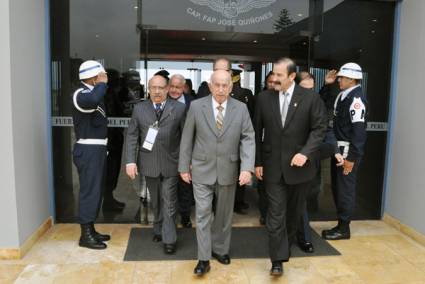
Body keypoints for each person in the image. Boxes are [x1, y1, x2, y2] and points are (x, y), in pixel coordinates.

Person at [254, 57, 327, 276]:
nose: (273, 79)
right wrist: (257, 162)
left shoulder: (311, 98)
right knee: (275, 214)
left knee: (293, 214)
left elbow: (319, 129)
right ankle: (277, 260)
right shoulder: (263, 98)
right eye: (273, 74)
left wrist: (305, 153)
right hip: (273, 167)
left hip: (300, 170)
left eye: (279, 75)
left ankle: (286, 244)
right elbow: (256, 133)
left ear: (292, 76)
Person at [179, 70, 255, 276]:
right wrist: (183, 167)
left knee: (223, 216)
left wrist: (247, 167)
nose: (221, 89)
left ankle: (220, 249)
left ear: (231, 87)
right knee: (203, 214)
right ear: (210, 86)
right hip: (201, 169)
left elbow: (248, 138)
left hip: (228, 170)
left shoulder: (241, 108)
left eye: (225, 85)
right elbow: (187, 137)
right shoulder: (196, 106)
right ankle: (203, 258)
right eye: (217, 85)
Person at [126, 75, 186, 254]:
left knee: (169, 200)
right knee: (156, 200)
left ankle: (169, 238)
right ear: (149, 89)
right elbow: (131, 136)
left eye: (161, 88)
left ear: (167, 89)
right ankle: (158, 227)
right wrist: (130, 161)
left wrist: (186, 162)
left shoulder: (180, 108)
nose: (157, 91)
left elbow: (186, 138)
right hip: (149, 162)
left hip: (171, 162)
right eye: (154, 88)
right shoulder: (139, 109)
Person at [321, 62, 367, 240]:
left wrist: (352, 158)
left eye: (342, 77)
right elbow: (325, 107)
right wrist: (327, 85)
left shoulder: (356, 100)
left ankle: (344, 228)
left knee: (345, 190)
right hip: (339, 151)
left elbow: (359, 133)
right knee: (338, 189)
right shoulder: (343, 95)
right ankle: (340, 224)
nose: (339, 79)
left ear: (352, 79)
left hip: (348, 154)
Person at [72, 60, 111, 250]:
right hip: (88, 150)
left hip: (97, 150)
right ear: (93, 76)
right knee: (89, 191)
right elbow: (93, 100)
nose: (104, 79)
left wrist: (100, 85)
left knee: (96, 190)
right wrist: (102, 83)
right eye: (101, 75)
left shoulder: (92, 92)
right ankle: (85, 235)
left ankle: (91, 229)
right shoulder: (81, 94)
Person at [168, 74, 195, 228]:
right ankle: (170, 217)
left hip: (188, 151)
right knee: (170, 186)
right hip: (168, 152)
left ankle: (185, 216)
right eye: (172, 86)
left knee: (185, 185)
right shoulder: (162, 101)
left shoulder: (193, 102)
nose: (174, 90)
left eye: (178, 87)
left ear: (184, 87)